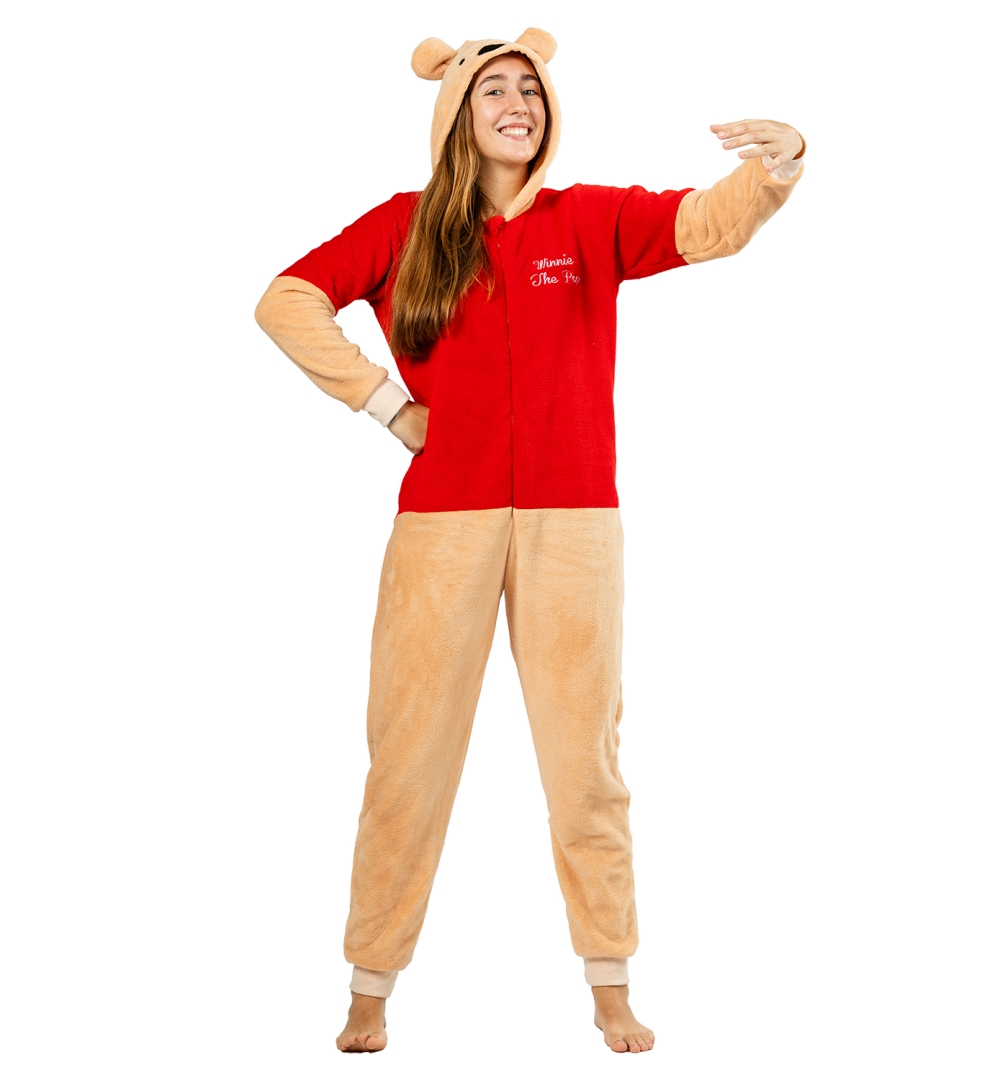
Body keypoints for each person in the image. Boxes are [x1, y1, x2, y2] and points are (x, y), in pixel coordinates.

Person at [255, 27, 804, 1055]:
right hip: (441, 526)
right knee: (408, 759)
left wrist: (776, 166)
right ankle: (370, 987)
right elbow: (285, 301)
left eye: (531, 90)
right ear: (457, 114)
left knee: (585, 761)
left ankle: (610, 982)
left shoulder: (588, 218)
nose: (518, 104)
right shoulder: (405, 227)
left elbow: (705, 224)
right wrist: (384, 403)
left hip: (574, 522)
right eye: (494, 90)